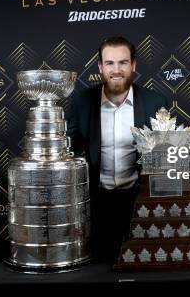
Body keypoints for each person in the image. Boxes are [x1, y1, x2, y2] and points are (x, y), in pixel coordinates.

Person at [67, 36, 169, 260]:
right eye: (110, 63)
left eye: (123, 62)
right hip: (96, 203)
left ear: (133, 65)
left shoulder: (155, 102)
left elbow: (168, 152)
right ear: (100, 67)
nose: (116, 70)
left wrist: (187, 183)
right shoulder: (81, 103)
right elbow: (68, 151)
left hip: (138, 201)